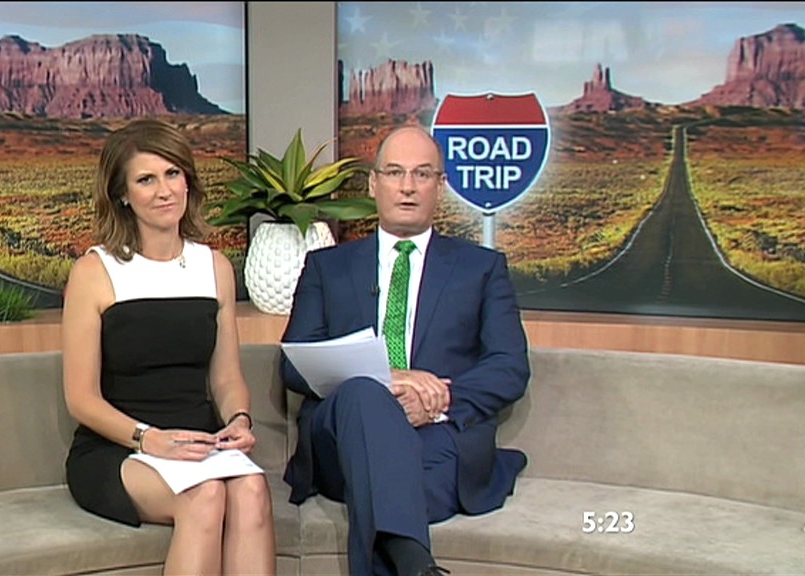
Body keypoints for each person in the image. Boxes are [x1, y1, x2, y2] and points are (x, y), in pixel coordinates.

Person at [280, 125, 530, 576]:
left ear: (440, 186)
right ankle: (417, 564)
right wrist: (388, 379)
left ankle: (413, 563)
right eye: (395, 172)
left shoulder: (481, 268)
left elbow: (509, 366)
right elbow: (294, 362)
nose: (408, 186)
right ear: (373, 183)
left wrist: (440, 397)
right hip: (343, 435)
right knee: (364, 394)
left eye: (422, 174)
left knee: (391, 482)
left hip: (437, 434)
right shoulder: (327, 267)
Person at [62, 118, 276, 575]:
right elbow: (81, 399)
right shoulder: (94, 272)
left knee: (253, 490)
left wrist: (239, 419)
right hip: (119, 448)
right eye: (146, 179)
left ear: (188, 180)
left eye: (173, 173)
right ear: (122, 194)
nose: (164, 191)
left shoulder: (214, 267)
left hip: (198, 442)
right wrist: (150, 438)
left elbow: (226, 378)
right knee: (205, 496)